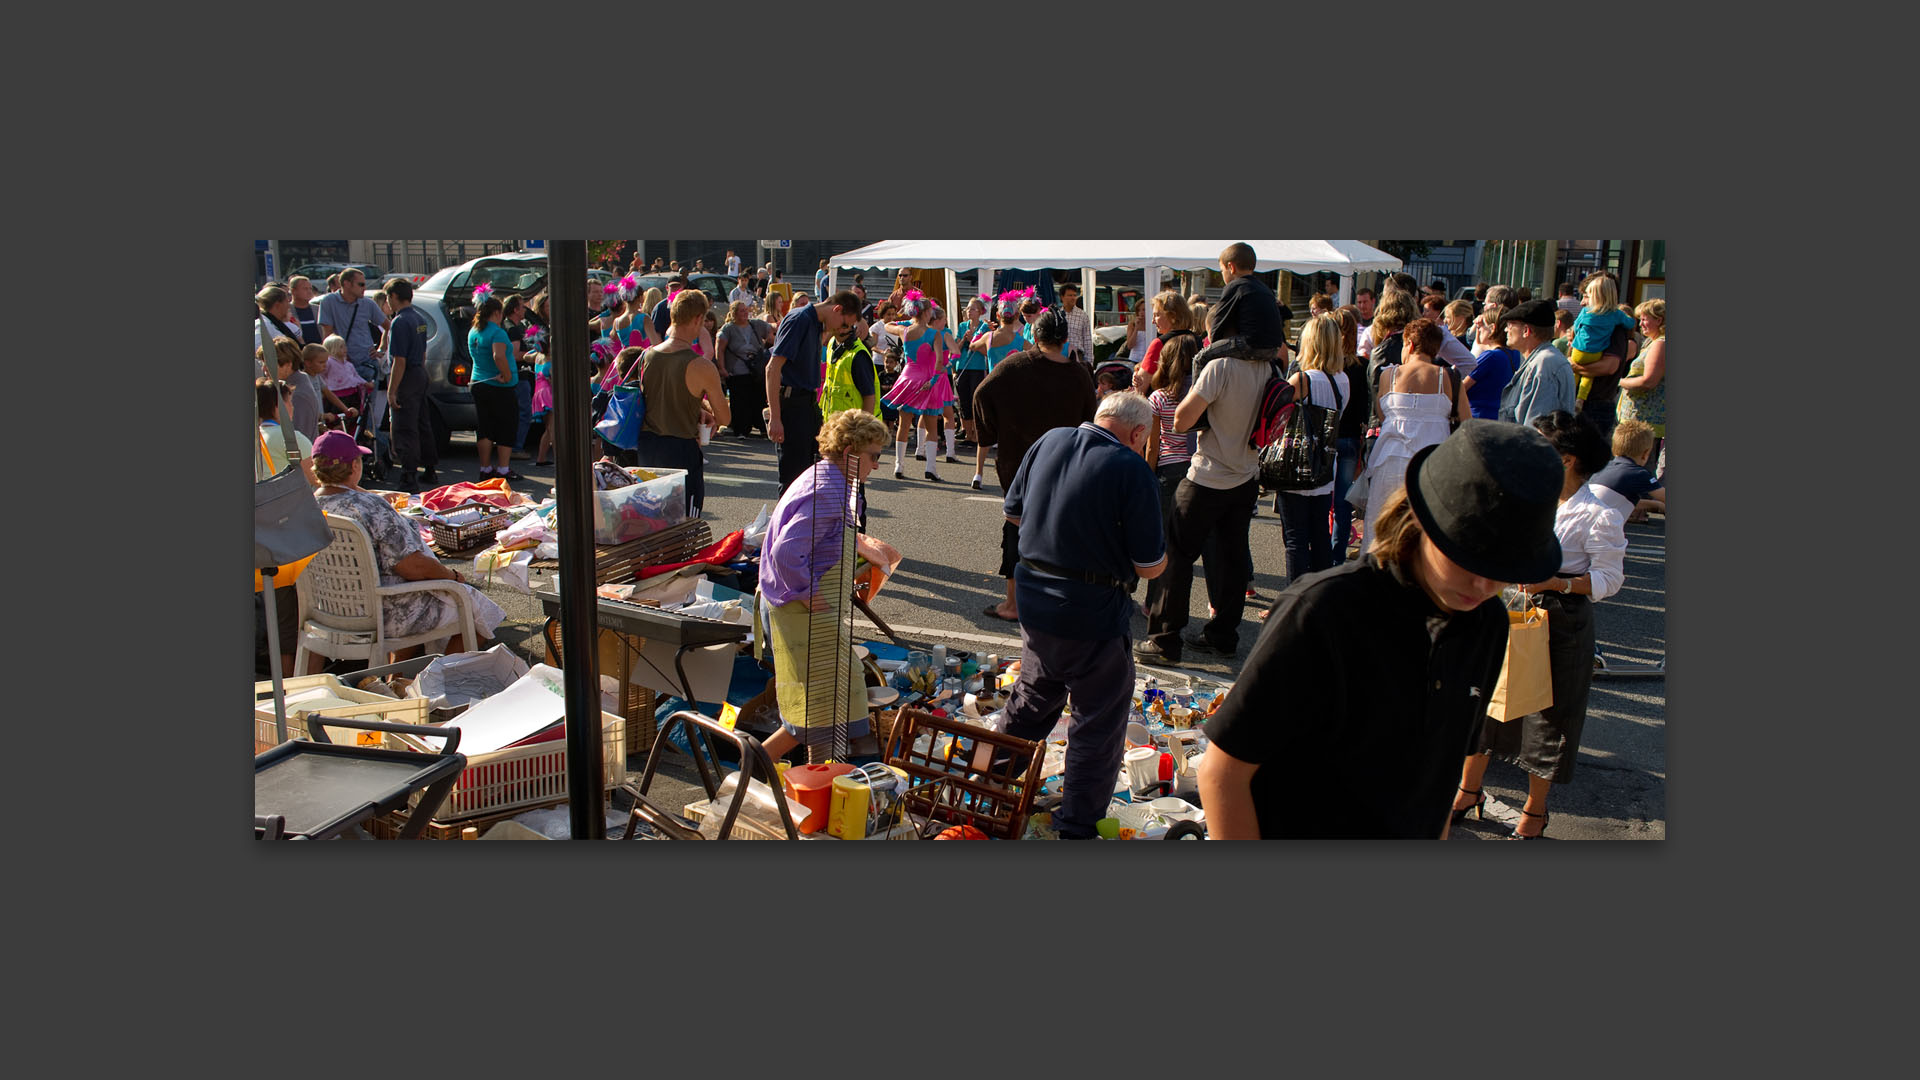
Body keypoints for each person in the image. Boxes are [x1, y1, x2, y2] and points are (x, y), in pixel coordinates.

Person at [1199, 420, 1567, 838]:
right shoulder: (1324, 611)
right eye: (1469, 559)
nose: (1484, 586)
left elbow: (1439, 779)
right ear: (1424, 521)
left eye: (1503, 572)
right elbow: (1222, 772)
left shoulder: (1486, 622)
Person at [997, 391, 1167, 839]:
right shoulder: (1131, 469)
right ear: (1135, 433)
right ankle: (1077, 828)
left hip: (1034, 596)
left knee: (1035, 694)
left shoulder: (1050, 440)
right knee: (1099, 719)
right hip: (1090, 611)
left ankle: (990, 782)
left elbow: (1013, 514)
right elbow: (1150, 565)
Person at [1454, 411, 1625, 838]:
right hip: (1509, 605)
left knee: (1552, 715)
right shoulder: (1528, 494)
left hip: (1561, 617)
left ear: (1566, 460)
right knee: (1488, 698)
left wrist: (1557, 582)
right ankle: (1468, 788)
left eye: (1540, 445)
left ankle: (1535, 810)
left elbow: (1609, 580)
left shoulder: (1598, 513)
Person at [1134, 244, 1279, 664]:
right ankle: (1223, 635)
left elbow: (1181, 420)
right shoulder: (1266, 367)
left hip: (1208, 475)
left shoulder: (1219, 366)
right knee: (1232, 559)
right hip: (1245, 475)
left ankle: (1164, 640)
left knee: (1175, 555)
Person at [757, 410, 896, 764]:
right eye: (874, 456)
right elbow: (787, 552)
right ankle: (807, 781)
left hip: (798, 606)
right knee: (826, 706)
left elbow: (815, 540)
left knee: (819, 709)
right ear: (851, 450)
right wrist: (808, 593)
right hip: (799, 610)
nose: (877, 465)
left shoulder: (827, 477)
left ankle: (769, 767)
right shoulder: (828, 488)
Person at [309, 430, 506, 669]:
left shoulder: (308, 507)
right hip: (381, 615)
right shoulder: (371, 507)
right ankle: (440, 684)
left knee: (412, 592)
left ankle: (399, 681)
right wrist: (452, 577)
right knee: (476, 609)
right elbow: (413, 567)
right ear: (354, 466)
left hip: (328, 609)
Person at [972, 308, 1098, 622]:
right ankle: (1057, 601)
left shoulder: (1015, 365)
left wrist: (991, 432)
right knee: (1061, 533)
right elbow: (1091, 423)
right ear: (1066, 338)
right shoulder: (1079, 374)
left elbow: (980, 393)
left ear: (1035, 335)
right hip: (1064, 468)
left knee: (1017, 529)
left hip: (1020, 466)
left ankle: (1013, 604)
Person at [1358, 318, 1466, 553]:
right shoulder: (1448, 378)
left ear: (1409, 343)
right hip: (1432, 464)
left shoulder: (1389, 375)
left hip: (1391, 460)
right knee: (1424, 533)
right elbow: (1466, 423)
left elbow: (1381, 414)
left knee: (1383, 527)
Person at [632, 287, 729, 517]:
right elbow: (724, 418)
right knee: (685, 522)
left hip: (648, 447)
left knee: (651, 520)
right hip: (681, 449)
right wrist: (705, 410)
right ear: (698, 319)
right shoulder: (701, 366)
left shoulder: (647, 355)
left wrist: (698, 408)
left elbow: (659, 397)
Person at [1273, 314, 1351, 581]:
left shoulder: (1302, 380)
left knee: (1295, 538)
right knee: (1320, 535)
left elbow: (1276, 414)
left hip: (1297, 465)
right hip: (1324, 466)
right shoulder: (1342, 379)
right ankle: (1320, 597)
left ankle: (1294, 602)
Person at [767, 290, 861, 491]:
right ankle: (788, 521)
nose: (843, 330)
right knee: (793, 477)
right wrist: (775, 416)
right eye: (844, 324)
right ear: (837, 309)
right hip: (793, 403)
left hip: (808, 402)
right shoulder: (799, 319)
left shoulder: (816, 323)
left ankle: (808, 520)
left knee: (813, 472)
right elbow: (773, 368)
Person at [1144, 333, 1199, 617]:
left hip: (1167, 469)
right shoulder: (1201, 395)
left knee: (1162, 540)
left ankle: (1154, 602)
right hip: (1196, 469)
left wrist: (1147, 475)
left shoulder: (1159, 398)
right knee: (1187, 543)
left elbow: (1153, 445)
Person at [878, 291, 959, 482]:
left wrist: (903, 322)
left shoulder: (904, 330)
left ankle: (899, 465)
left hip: (907, 377)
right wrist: (934, 379)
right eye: (930, 309)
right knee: (931, 425)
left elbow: (887, 325)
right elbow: (939, 362)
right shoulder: (935, 334)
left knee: (904, 423)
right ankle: (930, 468)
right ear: (925, 312)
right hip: (927, 379)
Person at [962, 292, 1030, 491]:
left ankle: (978, 474)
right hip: (1013, 391)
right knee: (1012, 435)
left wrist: (983, 331)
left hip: (991, 388)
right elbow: (1035, 352)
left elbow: (973, 345)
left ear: (998, 316)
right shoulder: (1020, 341)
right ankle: (1015, 475)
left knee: (985, 434)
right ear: (1016, 316)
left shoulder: (989, 336)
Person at [317, 267, 388, 440]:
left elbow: (387, 325)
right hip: (338, 367)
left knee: (365, 413)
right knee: (342, 413)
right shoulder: (329, 301)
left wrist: (381, 348)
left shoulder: (368, 303)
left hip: (365, 363)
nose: (365, 287)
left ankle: (368, 447)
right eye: (361, 284)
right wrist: (331, 358)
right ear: (346, 284)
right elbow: (327, 333)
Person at [1566, 273, 1636, 438]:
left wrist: (1573, 366)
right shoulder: (1589, 316)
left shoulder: (1616, 327)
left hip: (1596, 405)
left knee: (1588, 459)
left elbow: (1609, 366)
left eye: (1586, 297)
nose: (1583, 303)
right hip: (1580, 403)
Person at [382, 278, 436, 492]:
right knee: (423, 423)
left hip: (406, 375)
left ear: (394, 296)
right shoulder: (419, 318)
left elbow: (399, 360)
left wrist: (392, 390)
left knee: (405, 426)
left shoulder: (400, 321)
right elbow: (422, 353)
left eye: (388, 298)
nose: (388, 302)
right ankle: (430, 467)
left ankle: (409, 474)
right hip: (419, 373)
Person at [465, 287, 521, 481]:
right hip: (499, 387)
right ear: (497, 313)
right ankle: (503, 469)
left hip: (478, 382)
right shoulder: (497, 332)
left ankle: (485, 467)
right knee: (507, 425)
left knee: (485, 427)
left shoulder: (474, 331)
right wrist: (506, 375)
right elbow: (498, 356)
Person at [1328, 307, 1369, 565]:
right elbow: (1365, 406)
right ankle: (1336, 556)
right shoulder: (1363, 366)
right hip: (1352, 437)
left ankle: (1322, 553)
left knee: (1321, 499)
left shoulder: (1328, 366)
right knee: (1343, 503)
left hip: (1329, 438)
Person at [1497, 299, 1578, 426]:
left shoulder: (1544, 366)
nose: (1506, 330)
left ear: (1526, 331)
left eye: (1511, 324)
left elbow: (1536, 431)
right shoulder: (1540, 361)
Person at [1617, 298, 1666, 470]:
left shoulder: (1660, 344)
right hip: (1640, 421)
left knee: (1639, 468)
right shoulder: (1652, 342)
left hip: (1645, 422)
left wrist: (1621, 381)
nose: (1641, 323)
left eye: (1645, 319)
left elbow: (1649, 381)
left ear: (1659, 320)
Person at [1592, 418, 1667, 523]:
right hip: (1596, 528)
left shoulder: (1604, 467)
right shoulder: (1637, 473)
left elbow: (1618, 502)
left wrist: (1657, 505)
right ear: (1645, 454)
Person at [716, 300, 771, 438]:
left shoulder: (756, 324)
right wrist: (722, 368)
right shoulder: (728, 329)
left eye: (746, 310)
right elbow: (720, 348)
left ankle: (761, 427)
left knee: (758, 397)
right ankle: (741, 429)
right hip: (737, 370)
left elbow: (772, 331)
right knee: (740, 400)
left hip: (755, 369)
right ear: (734, 313)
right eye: (741, 311)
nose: (745, 313)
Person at [1130, 291, 1201, 394]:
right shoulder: (1198, 340)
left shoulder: (1159, 343)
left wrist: (1136, 380)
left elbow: (1140, 389)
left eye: (1157, 315)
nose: (1153, 321)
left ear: (1172, 316)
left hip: (1161, 406)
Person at [949, 297, 993, 456]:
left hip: (978, 367)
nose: (969, 311)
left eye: (973, 309)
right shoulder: (962, 326)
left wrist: (975, 339)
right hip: (963, 367)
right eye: (968, 308)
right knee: (963, 400)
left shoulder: (985, 328)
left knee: (975, 398)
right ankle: (967, 434)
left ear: (980, 311)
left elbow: (986, 352)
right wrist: (964, 340)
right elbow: (956, 349)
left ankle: (976, 433)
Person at [1459, 306, 1519, 420]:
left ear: (1492, 328)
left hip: (1479, 417)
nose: (1478, 330)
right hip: (1499, 416)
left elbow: (1461, 387)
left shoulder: (1490, 357)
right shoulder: (1513, 353)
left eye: (1480, 327)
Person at [1059, 281, 1094, 366]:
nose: (1073, 298)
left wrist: (1089, 363)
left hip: (1078, 356)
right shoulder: (1057, 315)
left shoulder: (1082, 315)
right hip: (1060, 355)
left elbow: (1087, 340)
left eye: (1075, 295)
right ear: (1062, 297)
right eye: (1070, 295)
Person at [289, 275, 324, 345]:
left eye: (310, 289)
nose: (309, 291)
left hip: (320, 351)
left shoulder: (318, 309)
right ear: (293, 291)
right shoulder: (287, 311)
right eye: (305, 289)